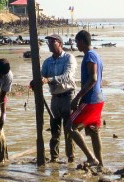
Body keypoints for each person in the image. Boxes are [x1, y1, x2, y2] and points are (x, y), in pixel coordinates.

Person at [69, 30, 105, 167]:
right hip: (99, 98)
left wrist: (78, 97)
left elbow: (93, 79)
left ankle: (91, 158)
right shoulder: (96, 55)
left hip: (90, 100)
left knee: (70, 127)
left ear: (82, 42)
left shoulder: (89, 56)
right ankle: (100, 164)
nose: (76, 45)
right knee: (94, 131)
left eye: (77, 42)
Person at [40, 33, 77, 163]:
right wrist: (37, 81)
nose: (49, 45)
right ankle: (54, 158)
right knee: (54, 130)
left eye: (52, 42)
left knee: (69, 129)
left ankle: (70, 158)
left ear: (60, 43)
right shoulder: (47, 61)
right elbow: (41, 75)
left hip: (68, 96)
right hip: (55, 98)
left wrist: (49, 79)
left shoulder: (69, 58)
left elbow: (67, 76)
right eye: (48, 42)